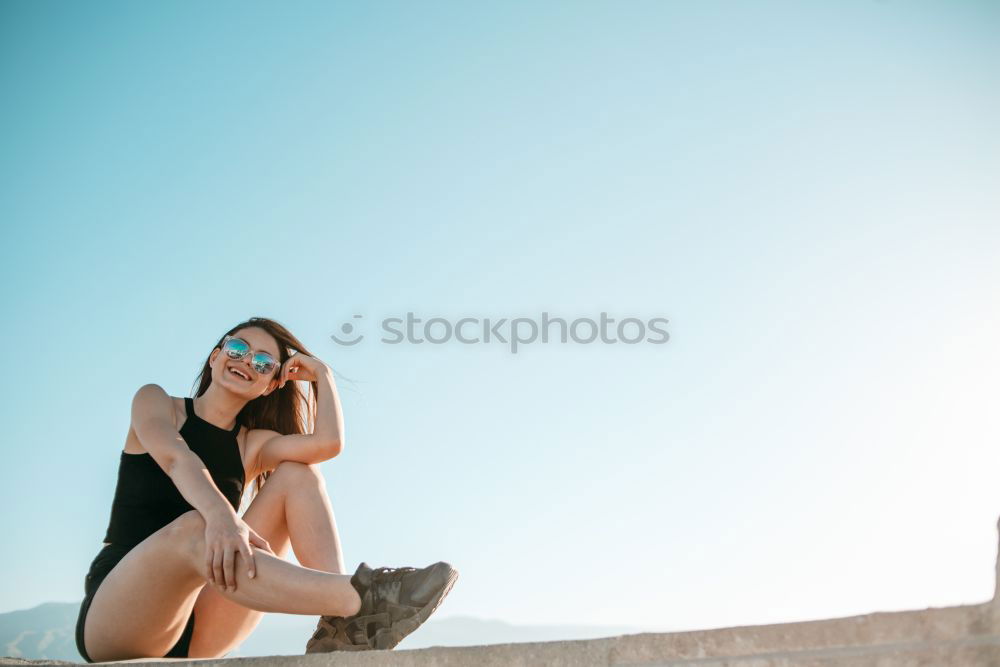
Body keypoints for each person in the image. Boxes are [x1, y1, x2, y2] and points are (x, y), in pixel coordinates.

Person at [74, 316, 458, 661]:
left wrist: (323, 375)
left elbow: (328, 443)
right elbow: (177, 459)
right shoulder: (157, 402)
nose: (245, 362)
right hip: (120, 615)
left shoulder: (251, 445)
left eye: (262, 363)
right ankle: (359, 598)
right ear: (215, 356)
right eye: (238, 348)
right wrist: (223, 517)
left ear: (271, 384)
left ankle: (341, 624)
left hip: (203, 621)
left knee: (299, 474)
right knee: (196, 526)